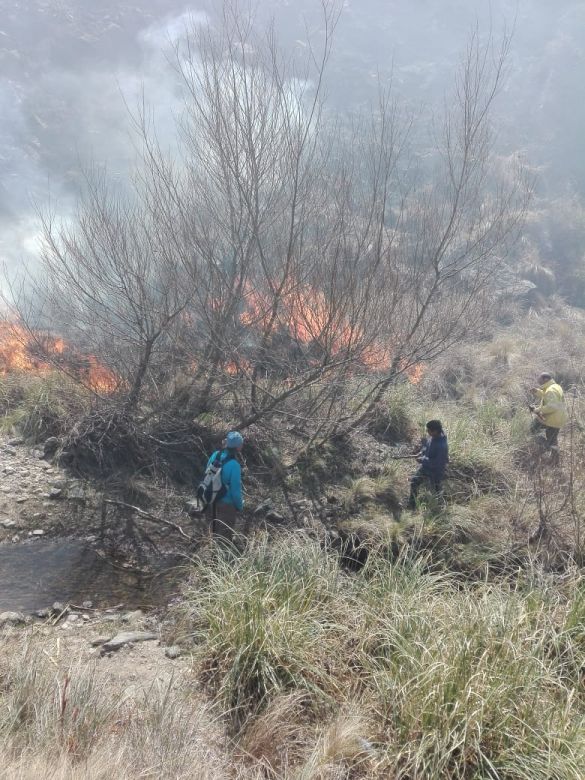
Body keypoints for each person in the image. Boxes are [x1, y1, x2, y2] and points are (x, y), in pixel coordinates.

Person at [207, 430, 244, 542]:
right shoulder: (234, 465)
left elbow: (207, 474)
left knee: (211, 537)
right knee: (224, 540)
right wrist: (240, 506)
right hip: (226, 506)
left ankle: (210, 558)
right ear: (238, 447)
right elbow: (235, 491)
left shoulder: (215, 455)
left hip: (210, 500)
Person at [406, 420, 449, 510]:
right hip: (425, 467)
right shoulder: (433, 436)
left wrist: (422, 459)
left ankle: (438, 509)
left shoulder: (442, 445)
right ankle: (412, 505)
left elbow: (437, 463)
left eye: (429, 430)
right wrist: (421, 453)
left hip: (436, 471)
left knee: (436, 491)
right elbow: (427, 446)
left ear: (436, 431)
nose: (427, 432)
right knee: (414, 482)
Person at [529, 372, 568, 455]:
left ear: (545, 379)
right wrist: (537, 392)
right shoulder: (554, 387)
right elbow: (547, 395)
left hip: (553, 420)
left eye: (539, 378)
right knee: (552, 440)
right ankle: (554, 459)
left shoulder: (551, 390)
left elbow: (552, 406)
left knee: (533, 429)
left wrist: (537, 410)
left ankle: (546, 447)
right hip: (558, 418)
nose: (537, 380)